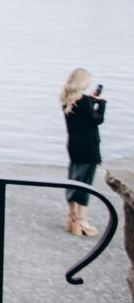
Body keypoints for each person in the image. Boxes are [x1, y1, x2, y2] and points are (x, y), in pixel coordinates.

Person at [61, 67, 106, 236]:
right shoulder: (85, 101)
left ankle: (71, 218)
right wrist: (101, 103)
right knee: (85, 182)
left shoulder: (66, 100)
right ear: (83, 83)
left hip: (74, 146)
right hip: (88, 147)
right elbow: (97, 119)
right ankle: (81, 221)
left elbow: (82, 117)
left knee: (73, 179)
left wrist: (91, 102)